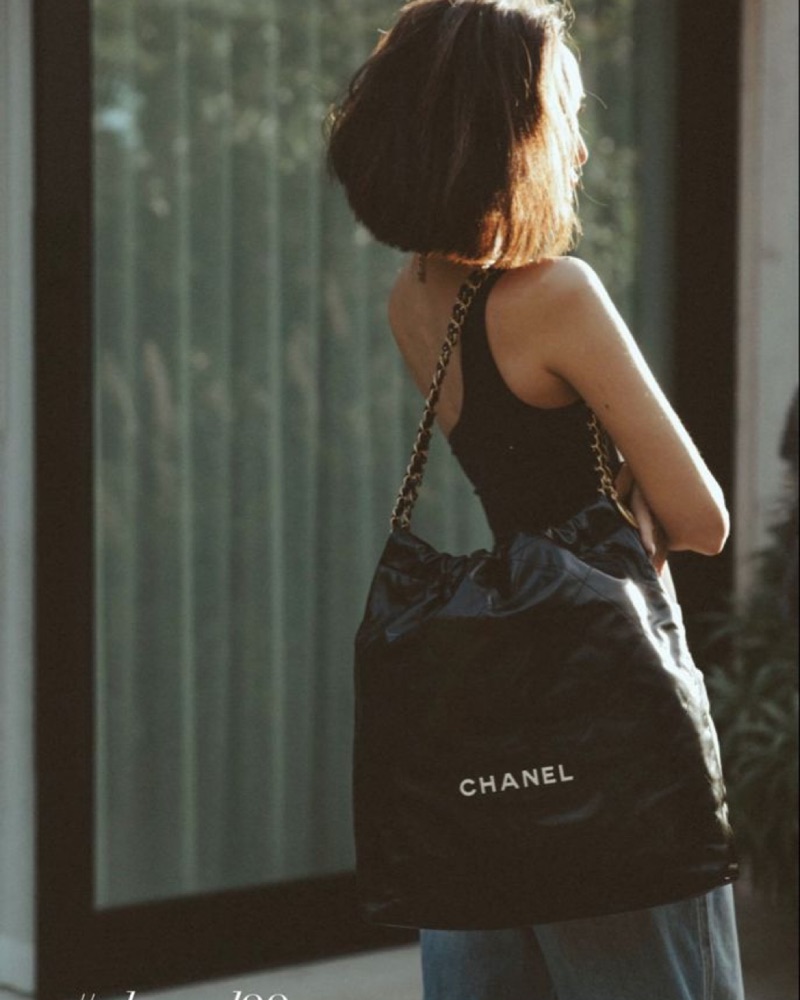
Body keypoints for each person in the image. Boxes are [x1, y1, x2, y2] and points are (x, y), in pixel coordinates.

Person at [326, 1, 745, 997]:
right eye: (563, 115)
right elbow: (700, 520)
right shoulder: (555, 295)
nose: (581, 148)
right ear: (502, 136)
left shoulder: (413, 298)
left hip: (485, 721)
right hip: (605, 712)